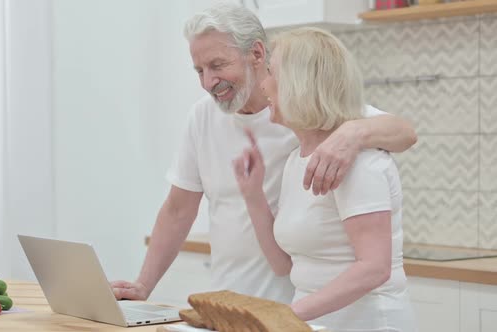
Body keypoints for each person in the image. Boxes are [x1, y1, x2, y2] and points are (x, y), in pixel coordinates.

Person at [111, 3, 417, 304]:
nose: (207, 82)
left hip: (301, 304)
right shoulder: (203, 117)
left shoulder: (307, 114)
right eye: (199, 70)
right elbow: (178, 210)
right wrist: (143, 285)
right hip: (232, 299)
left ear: (256, 54)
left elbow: (405, 133)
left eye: (217, 65)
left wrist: (354, 132)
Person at [233, 27, 417, 331]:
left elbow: (374, 268)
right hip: (317, 324)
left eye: (271, 73)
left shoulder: (355, 159)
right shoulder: (297, 158)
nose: (263, 84)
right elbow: (284, 265)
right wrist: (253, 196)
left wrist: (286, 315)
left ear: (299, 84)